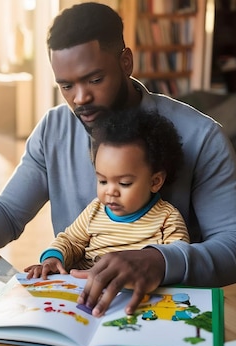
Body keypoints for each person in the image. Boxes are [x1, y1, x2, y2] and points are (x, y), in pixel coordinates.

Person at [0, 2, 236, 318]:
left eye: (93, 79)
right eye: (66, 85)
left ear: (125, 61)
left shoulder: (201, 136)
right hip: (76, 307)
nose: (79, 98)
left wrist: (158, 262)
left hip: (157, 312)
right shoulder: (53, 128)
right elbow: (9, 211)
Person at [25, 108, 189, 279]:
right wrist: (52, 258)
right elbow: (70, 241)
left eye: (124, 183)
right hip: (83, 290)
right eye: (102, 181)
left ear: (155, 182)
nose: (110, 191)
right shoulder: (94, 211)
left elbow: (178, 262)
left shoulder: (167, 219)